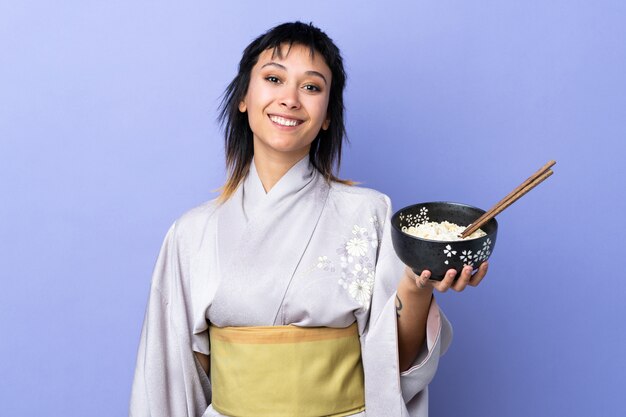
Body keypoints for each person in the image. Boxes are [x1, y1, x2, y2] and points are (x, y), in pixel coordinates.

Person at [129, 21, 488, 417]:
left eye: (312, 87)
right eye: (273, 78)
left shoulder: (369, 213)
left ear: (328, 116)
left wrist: (417, 288)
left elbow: (394, 365)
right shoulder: (191, 233)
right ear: (243, 98)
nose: (290, 99)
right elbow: (170, 379)